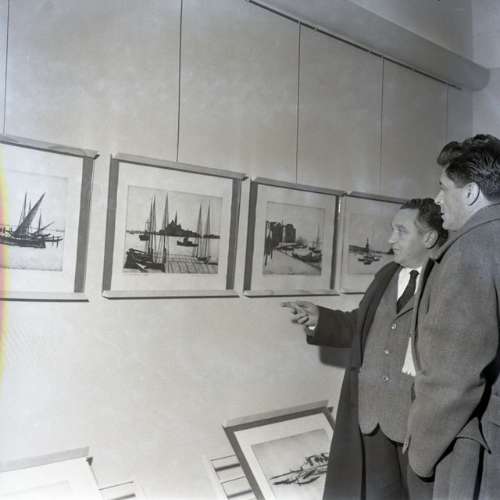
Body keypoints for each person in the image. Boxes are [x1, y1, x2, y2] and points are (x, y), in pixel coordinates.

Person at [283, 199, 447, 500]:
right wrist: (319, 318)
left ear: (429, 237)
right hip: (370, 419)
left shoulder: (449, 283)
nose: (391, 239)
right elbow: (362, 324)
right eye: (392, 230)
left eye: (401, 231)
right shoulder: (387, 274)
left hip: (416, 427)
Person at [405, 137, 500, 499]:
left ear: (472, 193)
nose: (438, 199)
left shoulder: (470, 251)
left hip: (476, 451)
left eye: (444, 188)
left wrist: (421, 454)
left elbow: (454, 378)